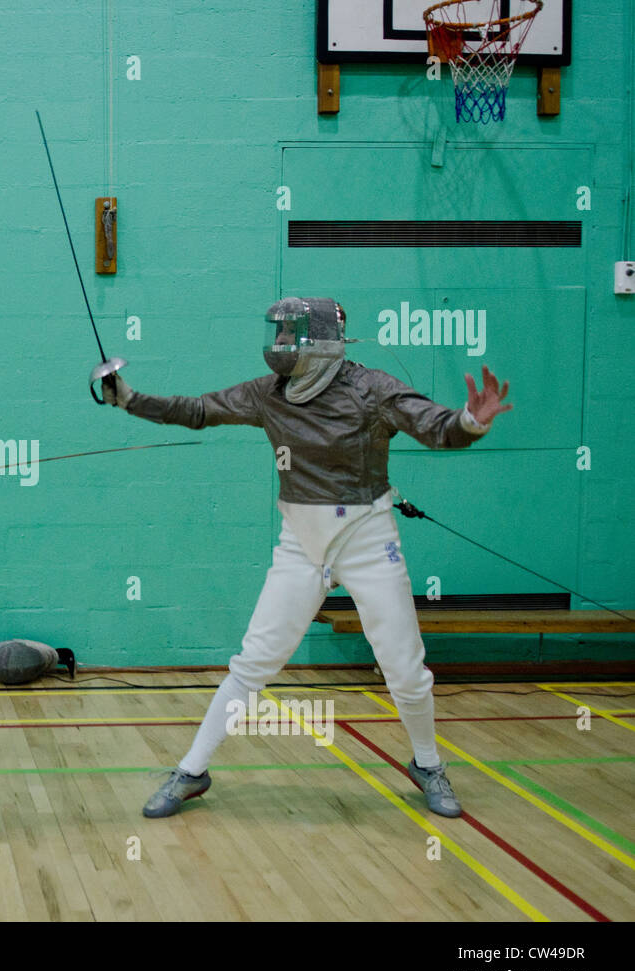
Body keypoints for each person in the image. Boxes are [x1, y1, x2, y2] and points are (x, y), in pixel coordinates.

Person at [98, 298, 512, 819]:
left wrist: (470, 422)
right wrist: (130, 399)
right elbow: (199, 410)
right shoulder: (267, 394)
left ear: (319, 343)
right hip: (301, 544)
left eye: (289, 334)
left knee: (405, 670)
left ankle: (427, 765)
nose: (278, 344)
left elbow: (435, 426)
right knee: (254, 663)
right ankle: (192, 770)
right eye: (277, 332)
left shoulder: (371, 389)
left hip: (367, 541)